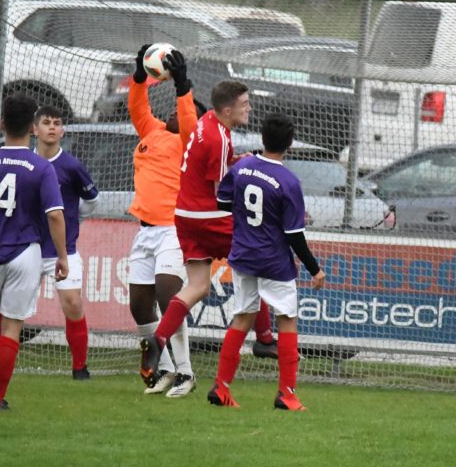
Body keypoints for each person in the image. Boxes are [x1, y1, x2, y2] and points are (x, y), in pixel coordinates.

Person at [139, 54, 279, 388]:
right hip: (207, 217)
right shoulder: (218, 138)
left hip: (185, 217)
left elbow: (215, 166)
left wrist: (238, 160)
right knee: (257, 261)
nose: (249, 109)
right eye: (244, 104)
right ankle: (264, 337)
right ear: (227, 110)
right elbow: (222, 191)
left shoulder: (208, 125)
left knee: (198, 286)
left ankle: (157, 341)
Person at [0, 94, 67, 411]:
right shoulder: (41, 167)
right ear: (33, 128)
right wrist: (61, 256)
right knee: (12, 325)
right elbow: (55, 215)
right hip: (26, 253)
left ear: (2, 124)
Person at [206, 113, 325, 410]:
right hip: (273, 262)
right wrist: (315, 268)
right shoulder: (289, 181)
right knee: (286, 320)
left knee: (243, 317)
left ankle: (221, 387)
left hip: (244, 256)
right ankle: (287, 393)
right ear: (289, 143)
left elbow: (222, 202)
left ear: (262, 138)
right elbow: (294, 235)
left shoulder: (243, 166)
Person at [126, 44, 200, 398]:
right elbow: (137, 106)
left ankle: (186, 372)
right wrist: (140, 76)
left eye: (181, 110)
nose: (173, 112)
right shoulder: (151, 132)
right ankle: (164, 369)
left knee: (169, 293)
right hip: (144, 231)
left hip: (173, 229)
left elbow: (189, 120)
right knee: (139, 304)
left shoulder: (190, 142)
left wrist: (183, 86)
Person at [33, 105, 99, 380]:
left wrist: (72, 219)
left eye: (56, 123)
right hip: (28, 247)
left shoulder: (72, 166)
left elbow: (92, 200)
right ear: (34, 129)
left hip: (64, 250)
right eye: (46, 122)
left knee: (72, 303)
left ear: (62, 130)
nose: (51, 127)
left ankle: (80, 366)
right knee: (9, 306)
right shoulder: (28, 162)